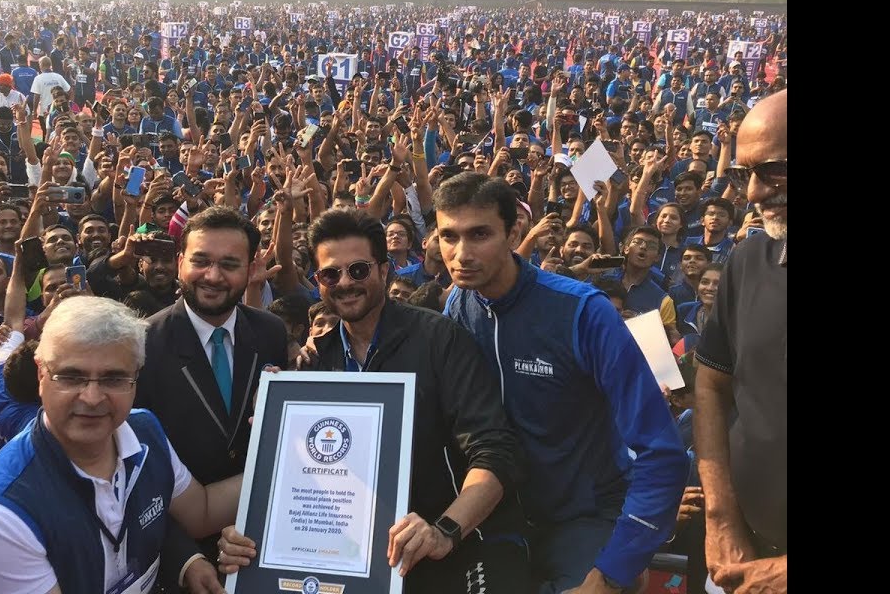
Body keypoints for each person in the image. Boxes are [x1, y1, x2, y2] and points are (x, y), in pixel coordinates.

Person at [220, 207, 527, 593]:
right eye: (331, 274)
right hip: (360, 558)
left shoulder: (440, 339)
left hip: (458, 542)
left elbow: (494, 451)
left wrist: (444, 531)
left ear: (384, 271)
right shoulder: (315, 363)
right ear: (318, 282)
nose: (345, 282)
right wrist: (251, 526)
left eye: (359, 270)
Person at [435, 172, 688, 594]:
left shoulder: (584, 312)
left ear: (515, 230)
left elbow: (662, 452)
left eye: (479, 234)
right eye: (448, 236)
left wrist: (615, 570)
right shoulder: (460, 304)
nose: (461, 254)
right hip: (500, 512)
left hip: (586, 515)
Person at [0, 296, 232, 594]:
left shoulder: (143, 429)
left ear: (135, 378)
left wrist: (278, 438)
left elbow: (202, 512)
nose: (92, 398)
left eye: (114, 378)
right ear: (41, 374)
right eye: (71, 376)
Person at [135, 207, 290, 558]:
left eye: (230, 264)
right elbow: (136, 473)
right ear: (180, 264)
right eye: (200, 260)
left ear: (251, 270)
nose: (213, 276)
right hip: (182, 552)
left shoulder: (270, 331)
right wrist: (184, 558)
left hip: (257, 536)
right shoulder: (143, 345)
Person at [694, 90, 787, 593]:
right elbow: (710, 388)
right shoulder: (750, 261)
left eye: (773, 170)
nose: (751, 194)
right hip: (744, 554)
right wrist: (721, 518)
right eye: (741, 173)